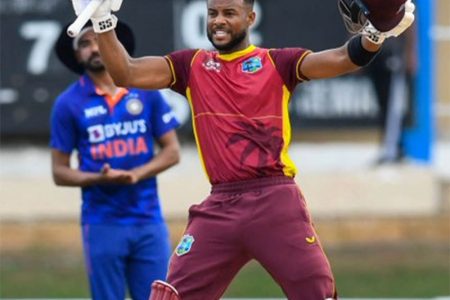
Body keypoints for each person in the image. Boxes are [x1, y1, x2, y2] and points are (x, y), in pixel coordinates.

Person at [68, 0, 415, 298]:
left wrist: (374, 35)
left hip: (275, 203)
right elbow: (126, 73)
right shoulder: (190, 66)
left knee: (316, 293)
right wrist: (102, 21)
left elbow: (343, 58)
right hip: (220, 207)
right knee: (170, 296)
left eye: (229, 13)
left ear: (250, 19)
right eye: (213, 12)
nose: (218, 20)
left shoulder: (278, 62)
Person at [50, 21, 180, 300]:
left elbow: (172, 152)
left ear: (115, 45)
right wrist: (99, 178)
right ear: (76, 55)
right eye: (84, 44)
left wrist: (137, 174)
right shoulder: (67, 103)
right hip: (101, 222)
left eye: (99, 40)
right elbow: (59, 172)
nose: (94, 48)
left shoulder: (145, 91)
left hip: (149, 220)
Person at [366, 23, 417, 164]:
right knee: (383, 104)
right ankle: (389, 149)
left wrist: (410, 53)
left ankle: (394, 151)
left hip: (394, 55)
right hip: (374, 55)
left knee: (393, 105)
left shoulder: (402, 2)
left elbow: (410, 24)